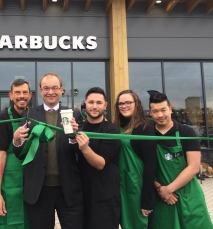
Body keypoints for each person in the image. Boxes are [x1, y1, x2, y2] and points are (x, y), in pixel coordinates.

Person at [13, 72, 84, 229]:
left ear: (61, 90)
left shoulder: (74, 115)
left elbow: (80, 151)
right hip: (39, 189)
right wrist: (17, 140)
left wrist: (73, 137)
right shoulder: (29, 114)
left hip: (68, 188)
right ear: (40, 91)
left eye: (54, 88)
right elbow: (21, 153)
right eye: (46, 88)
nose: (50, 92)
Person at [148, 91, 213, 229]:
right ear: (150, 112)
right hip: (161, 199)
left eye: (163, 110)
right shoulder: (147, 134)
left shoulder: (186, 132)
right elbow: (144, 166)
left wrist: (169, 189)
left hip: (188, 195)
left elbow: (194, 167)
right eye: (155, 111)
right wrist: (160, 189)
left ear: (170, 109)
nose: (160, 115)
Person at [73, 87, 121, 229]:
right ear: (85, 104)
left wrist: (85, 148)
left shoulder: (111, 130)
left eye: (99, 103)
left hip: (104, 196)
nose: (94, 106)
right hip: (82, 195)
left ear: (105, 105)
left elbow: (100, 164)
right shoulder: (80, 127)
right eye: (91, 102)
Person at [114, 89, 156, 229]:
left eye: (128, 102)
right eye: (121, 103)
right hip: (121, 187)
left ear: (136, 104)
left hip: (137, 189)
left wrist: (147, 199)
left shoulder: (145, 129)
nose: (124, 106)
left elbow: (151, 166)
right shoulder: (117, 127)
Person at [0, 78, 31, 228]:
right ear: (11, 95)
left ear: (30, 95)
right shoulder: (3, 119)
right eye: (17, 92)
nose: (21, 96)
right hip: (10, 182)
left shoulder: (35, 116)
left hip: (31, 182)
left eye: (25, 92)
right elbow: (0, 155)